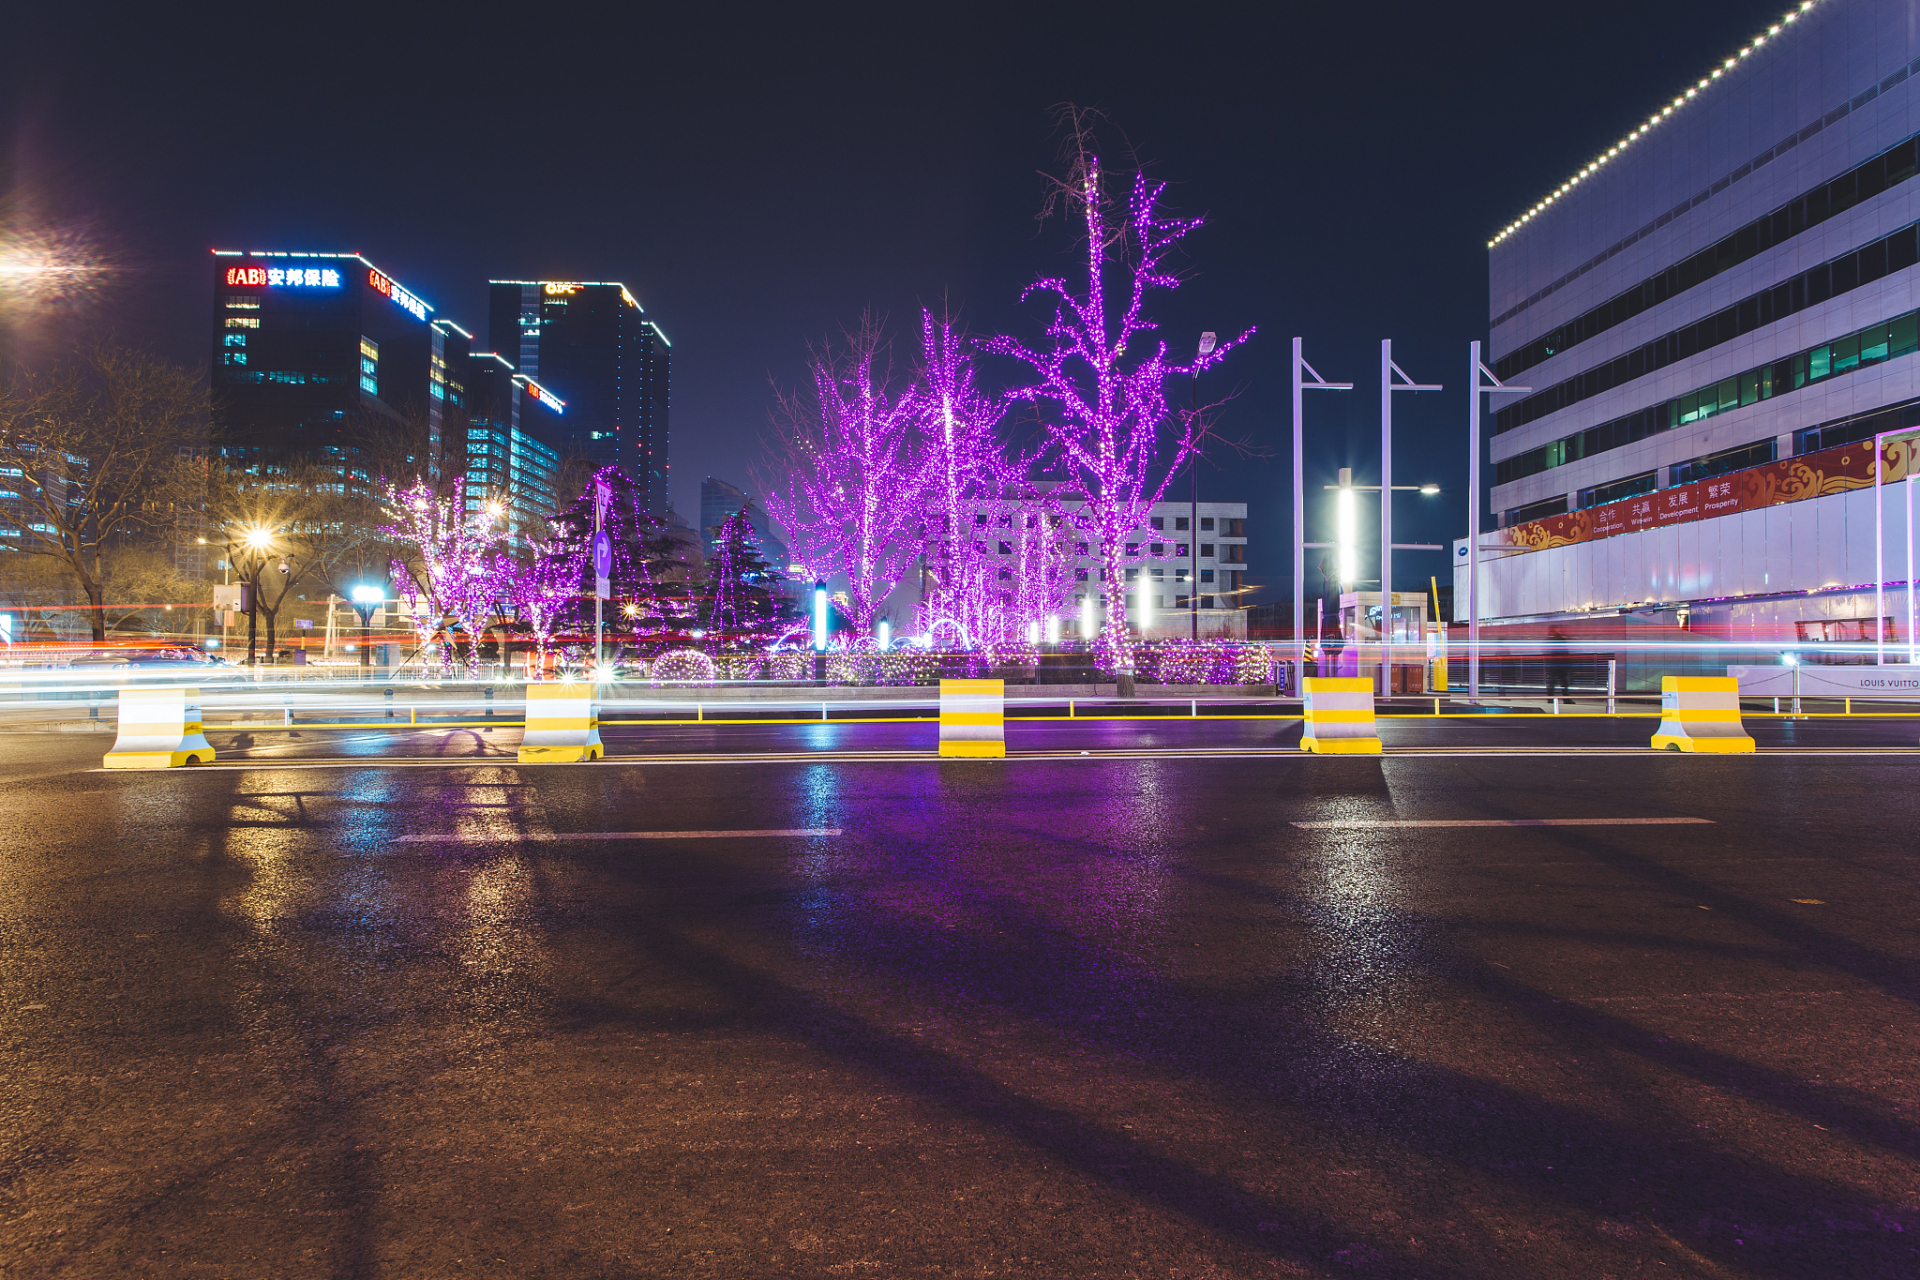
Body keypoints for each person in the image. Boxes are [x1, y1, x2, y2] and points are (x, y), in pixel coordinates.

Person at [1546, 624, 1572, 700]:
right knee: (1563, 681)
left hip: (1552, 664)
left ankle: (1550, 698)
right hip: (1560, 663)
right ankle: (1566, 698)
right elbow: (1565, 651)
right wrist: (1568, 662)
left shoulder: (1548, 639)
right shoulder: (1560, 638)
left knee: (1552, 681)